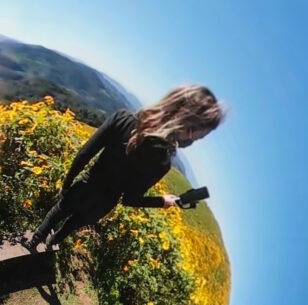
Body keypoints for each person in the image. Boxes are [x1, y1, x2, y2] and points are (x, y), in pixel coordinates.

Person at [26, 85, 225, 251]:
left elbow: (84, 154)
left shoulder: (122, 119)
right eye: (197, 136)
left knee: (58, 212)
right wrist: (162, 201)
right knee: (71, 225)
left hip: (85, 186)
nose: (194, 141)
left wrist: (67, 184)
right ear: (186, 127)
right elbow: (130, 200)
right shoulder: (162, 163)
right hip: (103, 204)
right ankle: (51, 245)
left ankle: (33, 242)